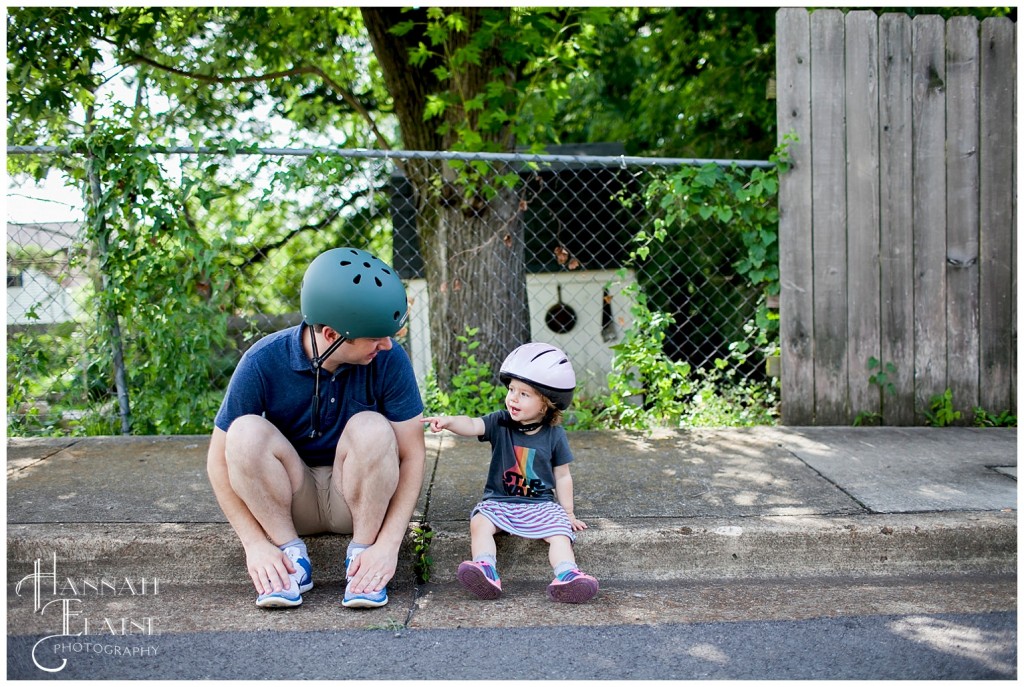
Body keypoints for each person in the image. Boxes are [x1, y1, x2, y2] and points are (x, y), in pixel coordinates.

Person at [207, 247, 426, 610]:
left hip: (356, 500)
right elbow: (218, 462)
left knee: (372, 427)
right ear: (330, 334)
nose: (387, 344)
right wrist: (255, 544)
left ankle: (363, 560)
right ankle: (290, 560)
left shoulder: (389, 358)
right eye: (376, 337)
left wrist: (387, 547)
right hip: (288, 502)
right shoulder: (263, 360)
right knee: (244, 432)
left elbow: (413, 455)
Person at [424, 342, 599, 604]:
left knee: (561, 534)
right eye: (511, 390)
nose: (513, 398)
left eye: (524, 394)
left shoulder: (554, 435)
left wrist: (569, 513)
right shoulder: (500, 422)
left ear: (547, 403)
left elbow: (562, 475)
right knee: (479, 522)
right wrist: (449, 421)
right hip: (500, 502)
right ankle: (485, 569)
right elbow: (472, 424)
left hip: (539, 504)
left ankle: (567, 575)